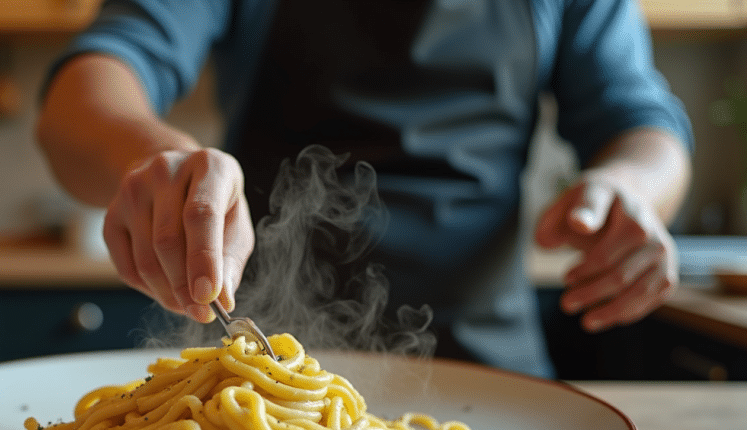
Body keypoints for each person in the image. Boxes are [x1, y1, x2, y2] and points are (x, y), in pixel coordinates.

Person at [36, 0, 692, 378]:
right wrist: (156, 159)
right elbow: (86, 89)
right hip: (262, 366)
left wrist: (630, 187)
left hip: (493, 365)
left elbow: (644, 126)